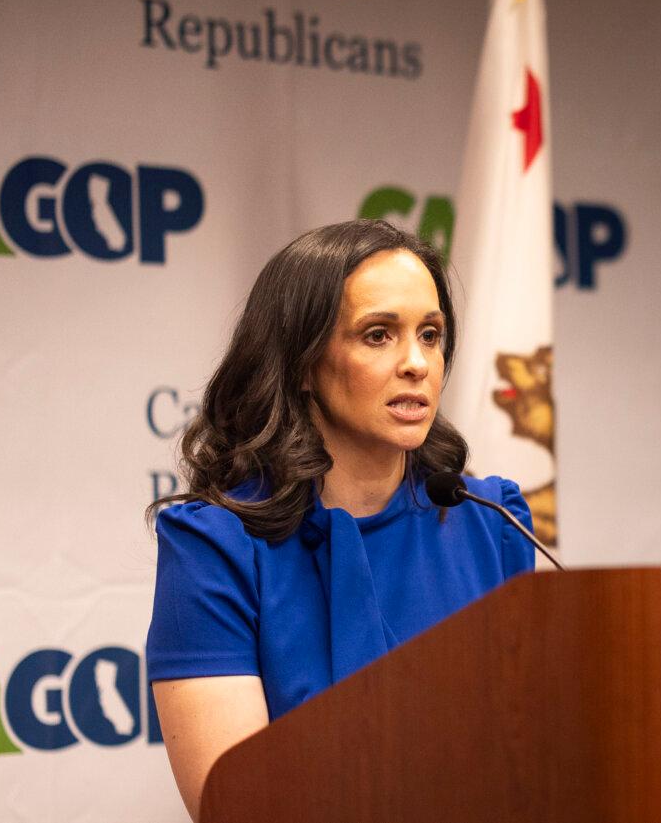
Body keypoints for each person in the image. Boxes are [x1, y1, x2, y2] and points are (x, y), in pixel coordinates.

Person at [145, 219, 535, 821]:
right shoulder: (216, 547)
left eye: (430, 336)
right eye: (378, 335)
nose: (417, 364)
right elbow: (238, 806)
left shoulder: (490, 522)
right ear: (302, 363)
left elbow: (533, 750)